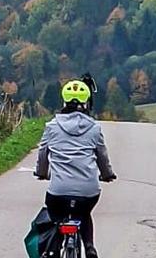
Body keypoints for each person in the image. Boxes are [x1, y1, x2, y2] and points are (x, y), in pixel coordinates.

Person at [34, 79, 116, 257]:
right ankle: (89, 247)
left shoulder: (52, 127)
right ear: (86, 102)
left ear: (64, 102)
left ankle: (53, 251)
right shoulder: (94, 128)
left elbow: (43, 154)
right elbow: (102, 156)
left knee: (55, 216)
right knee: (84, 214)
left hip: (59, 191)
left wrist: (42, 172)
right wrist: (107, 174)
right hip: (88, 191)